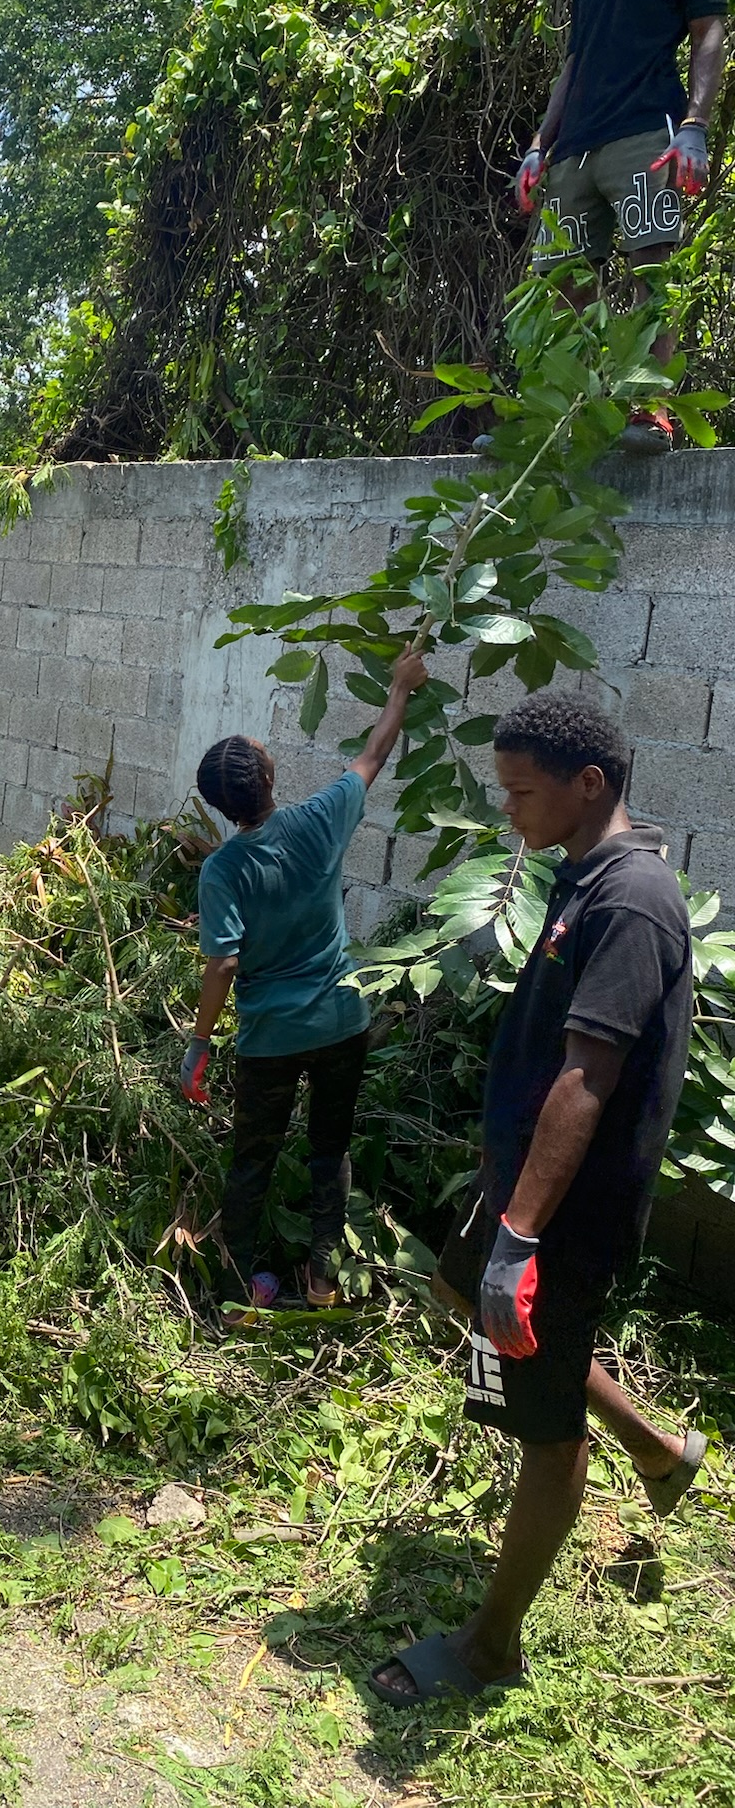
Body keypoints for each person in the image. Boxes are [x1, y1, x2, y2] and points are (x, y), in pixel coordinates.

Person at [372, 691, 705, 1707]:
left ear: (588, 784)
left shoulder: (631, 903)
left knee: (545, 1423)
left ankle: (491, 1645)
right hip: (519, 1188)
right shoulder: (584, 874)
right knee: (456, 1288)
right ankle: (656, 1447)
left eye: (521, 790)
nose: (509, 809)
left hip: (562, 1213)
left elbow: (588, 1079)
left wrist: (522, 1235)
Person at [183, 645, 429, 1308]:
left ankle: (241, 1288)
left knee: (253, 1158)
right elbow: (375, 752)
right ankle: (323, 1278)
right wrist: (400, 685)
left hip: (271, 1037)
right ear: (269, 774)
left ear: (220, 806)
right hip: (343, 1022)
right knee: (330, 1148)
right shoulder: (323, 818)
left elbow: (225, 964)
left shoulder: (224, 870)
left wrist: (200, 1046)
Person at [514, 0, 727, 448]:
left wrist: (695, 126)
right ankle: (562, 422)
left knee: (649, 271)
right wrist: (537, 146)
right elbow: (573, 63)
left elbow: (709, 31)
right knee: (558, 284)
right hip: (576, 146)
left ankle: (647, 409)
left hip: (647, 134)